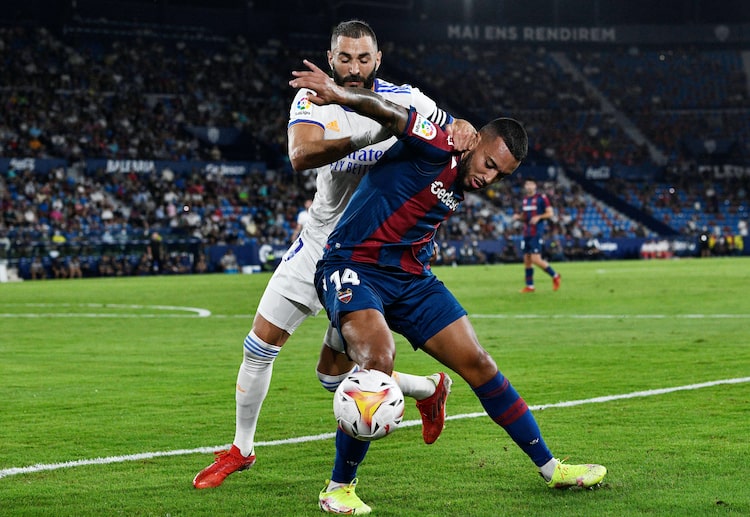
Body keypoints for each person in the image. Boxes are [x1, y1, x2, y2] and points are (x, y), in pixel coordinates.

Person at [289, 59, 607, 514]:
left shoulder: (464, 174)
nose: (489, 178)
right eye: (489, 164)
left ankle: (551, 468)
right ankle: (338, 487)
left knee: (479, 363)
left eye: (501, 175)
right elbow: (391, 113)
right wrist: (339, 95)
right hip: (353, 264)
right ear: (476, 140)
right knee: (377, 360)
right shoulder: (438, 142)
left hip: (411, 278)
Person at [192, 19, 476, 489]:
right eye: (345, 58)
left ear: (378, 59)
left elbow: (456, 131)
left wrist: (462, 126)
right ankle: (242, 449)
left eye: (363, 58)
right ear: (330, 58)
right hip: (318, 242)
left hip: (368, 258)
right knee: (258, 346)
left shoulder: (407, 100)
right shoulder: (315, 97)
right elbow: (301, 154)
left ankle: (428, 391)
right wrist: (371, 134)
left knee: (335, 378)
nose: (354, 68)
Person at [512, 179, 561, 293]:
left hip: (536, 232)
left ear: (535, 186)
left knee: (535, 259)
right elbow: (525, 217)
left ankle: (555, 275)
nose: (528, 186)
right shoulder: (525, 200)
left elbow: (550, 213)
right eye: (527, 184)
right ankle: (530, 286)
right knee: (527, 259)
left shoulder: (541, 198)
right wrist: (518, 217)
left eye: (531, 184)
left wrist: (539, 217)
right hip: (526, 232)